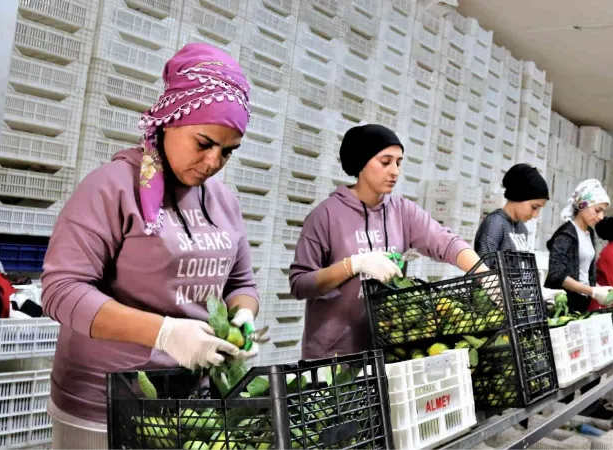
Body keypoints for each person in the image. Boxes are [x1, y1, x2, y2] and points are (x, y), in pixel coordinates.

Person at [40, 43, 261, 449]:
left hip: (185, 404)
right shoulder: (112, 187)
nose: (213, 162)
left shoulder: (223, 202)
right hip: (103, 406)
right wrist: (164, 333)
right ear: (170, 120)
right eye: (203, 142)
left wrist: (242, 318)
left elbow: (241, 283)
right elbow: (61, 291)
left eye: (228, 152)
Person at [289, 124, 489, 359]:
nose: (395, 171)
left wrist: (484, 274)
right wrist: (352, 265)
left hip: (387, 352)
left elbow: (445, 242)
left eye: (398, 162)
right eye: (385, 162)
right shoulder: (326, 215)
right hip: (333, 356)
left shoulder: (402, 211)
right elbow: (300, 283)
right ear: (361, 163)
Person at [474, 163, 565, 303]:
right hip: (492, 308)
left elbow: (523, 272)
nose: (536, 215)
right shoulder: (495, 223)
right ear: (519, 196)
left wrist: (537, 293)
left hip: (515, 305)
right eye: (534, 207)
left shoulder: (522, 228)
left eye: (539, 209)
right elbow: (482, 273)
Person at [544, 179, 613, 312]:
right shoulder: (566, 234)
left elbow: (584, 273)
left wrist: (598, 289)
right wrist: (592, 291)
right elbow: (557, 274)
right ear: (582, 205)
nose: (601, 217)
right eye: (597, 210)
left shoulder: (589, 233)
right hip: (562, 305)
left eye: (603, 212)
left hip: (581, 303)